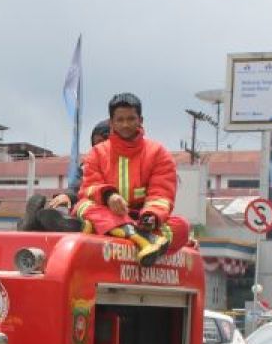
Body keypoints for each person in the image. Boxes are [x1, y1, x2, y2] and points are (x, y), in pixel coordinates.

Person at [74, 93, 191, 265]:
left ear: (140, 120)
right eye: (120, 120)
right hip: (106, 211)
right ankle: (143, 240)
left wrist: (151, 217)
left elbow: (161, 194)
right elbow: (90, 188)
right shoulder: (97, 153)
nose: (125, 124)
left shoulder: (158, 153)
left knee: (182, 227)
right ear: (111, 122)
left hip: (140, 221)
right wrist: (109, 196)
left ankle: (106, 230)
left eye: (131, 119)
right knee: (84, 206)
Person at [19, 119, 110, 233]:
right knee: (55, 213)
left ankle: (57, 223)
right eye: (96, 143)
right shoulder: (87, 165)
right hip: (86, 209)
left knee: (83, 220)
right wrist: (67, 196)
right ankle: (33, 221)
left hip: (106, 214)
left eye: (104, 142)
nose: (99, 147)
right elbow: (75, 187)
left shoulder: (124, 164)